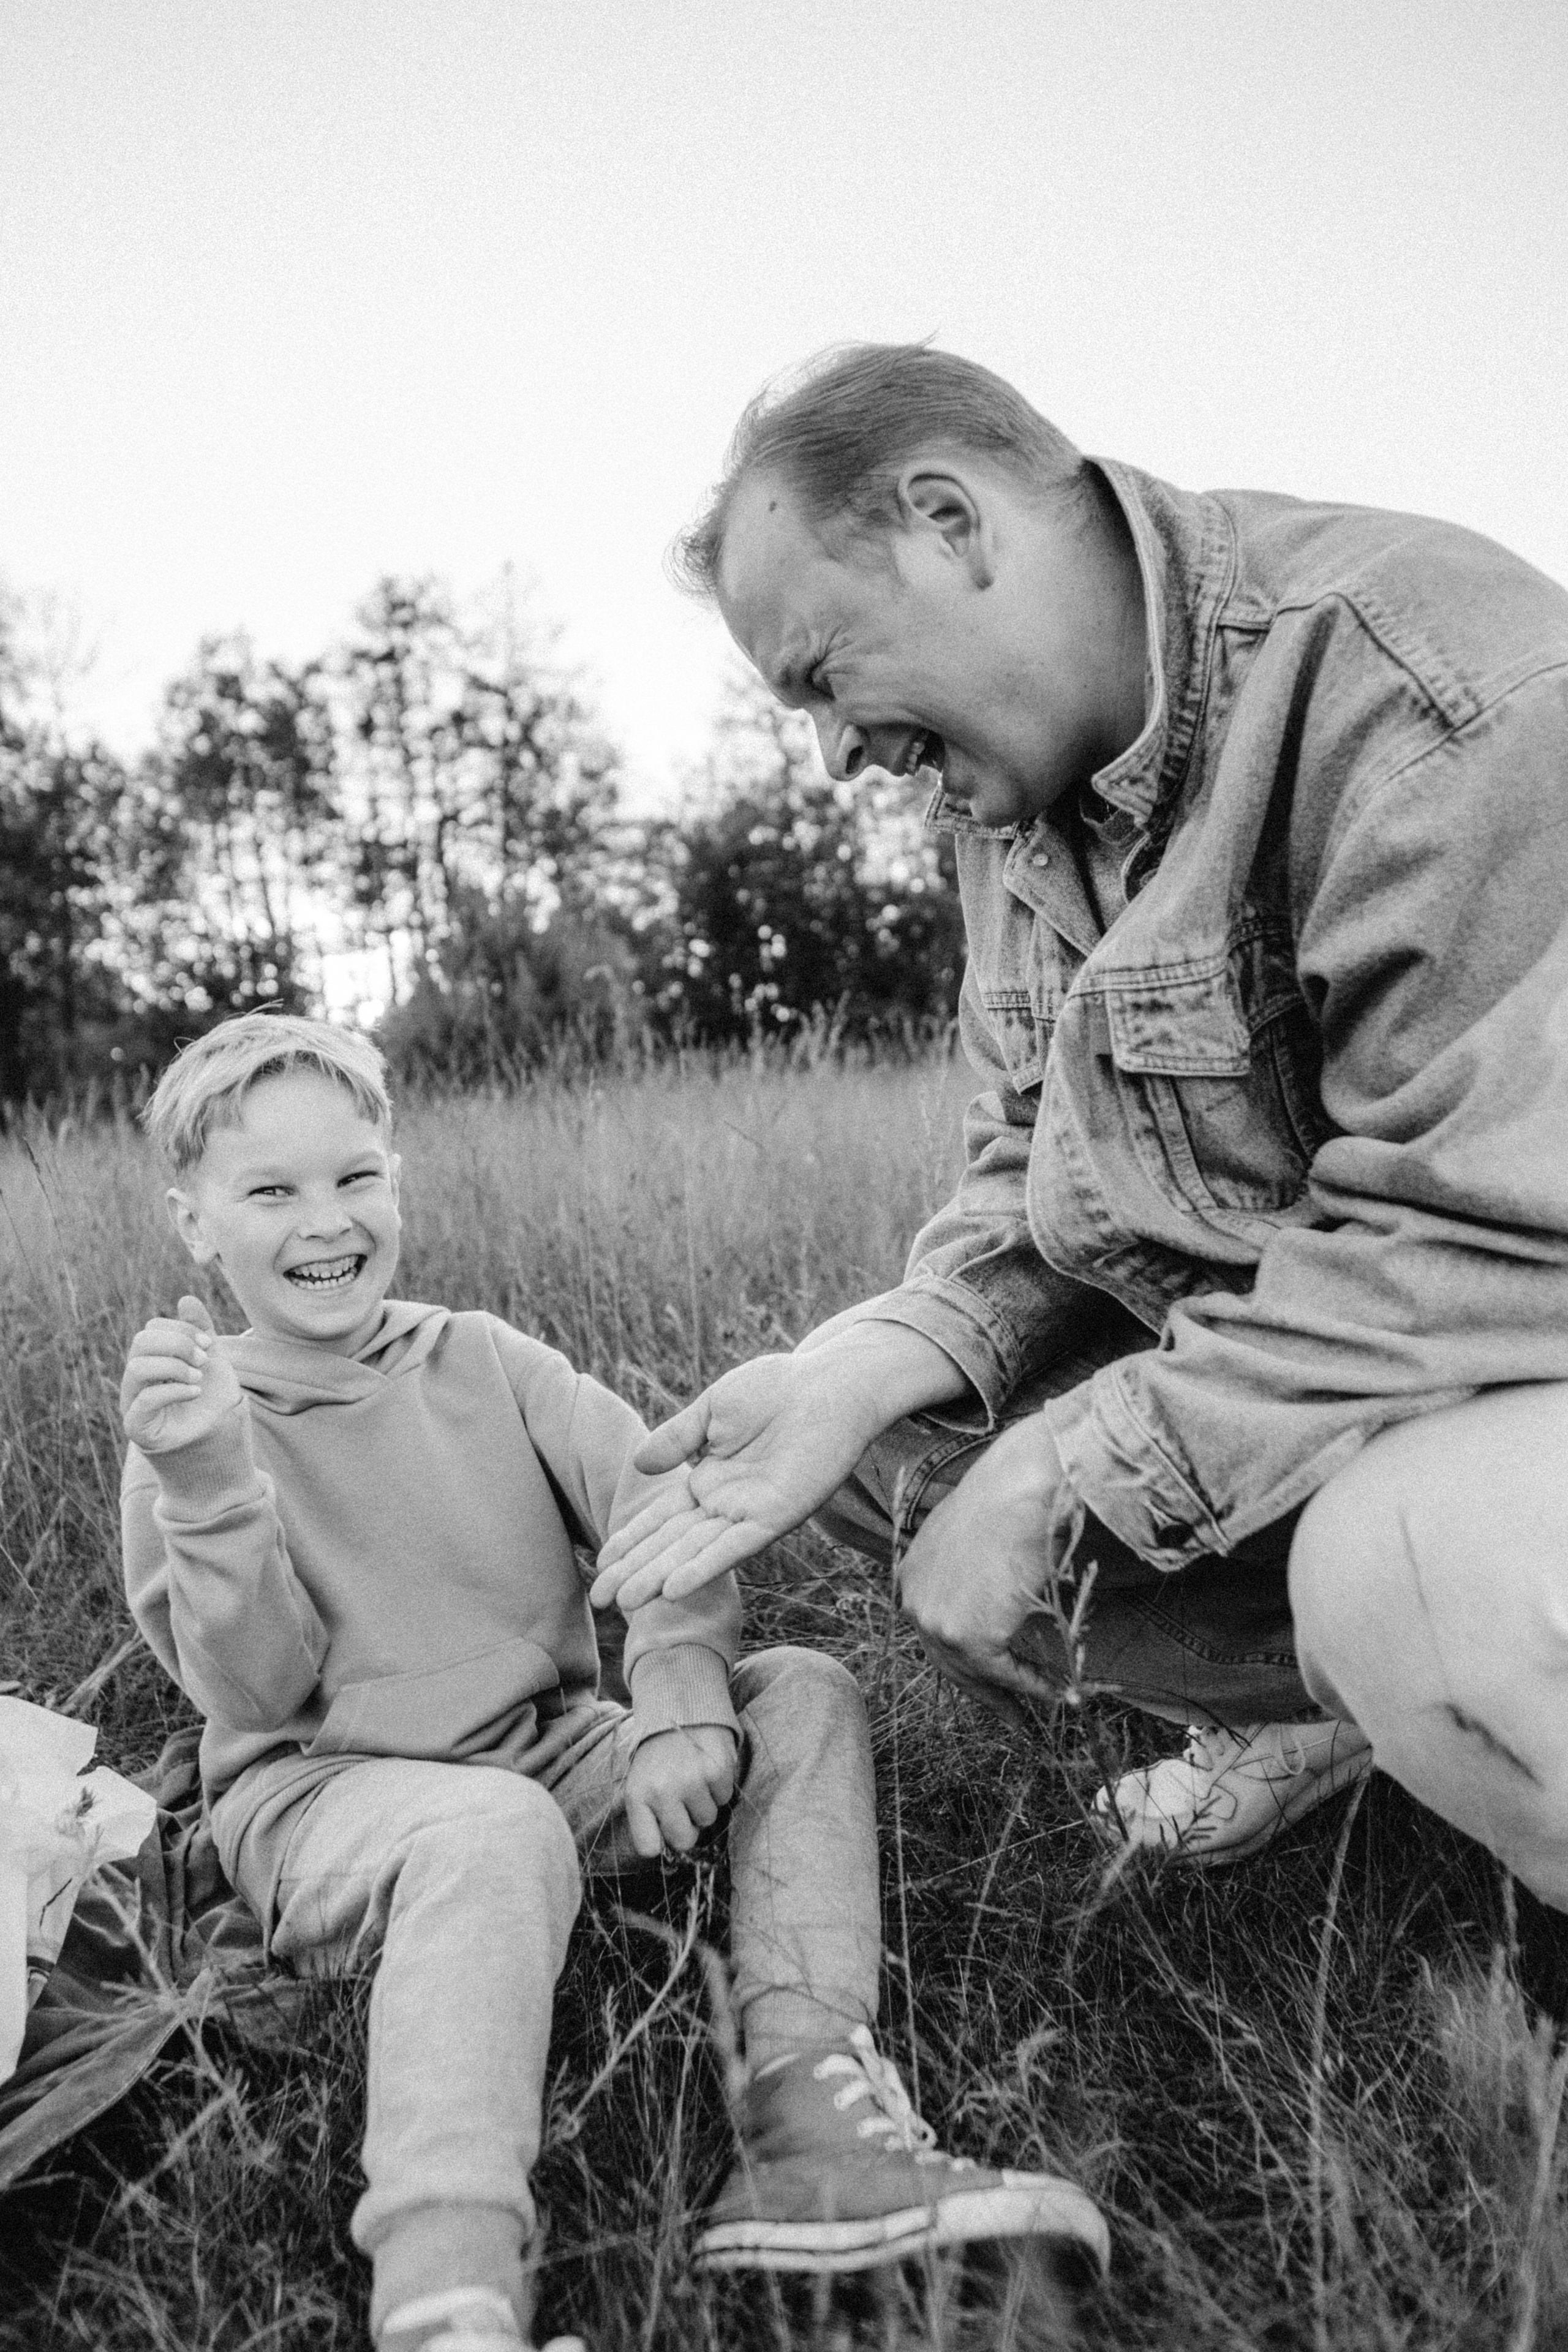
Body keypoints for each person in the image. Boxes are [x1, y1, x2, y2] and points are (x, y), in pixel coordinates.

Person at [594, 341, 1568, 1917]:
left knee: (1403, 1574)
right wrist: (865, 1364)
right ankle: (1340, 1707)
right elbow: (1030, 1165)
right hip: (1374, 1365)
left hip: (1518, 1334)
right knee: (850, 1431)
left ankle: (1408, 1650)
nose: (833, 755)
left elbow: (1488, 1237)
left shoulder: (1434, 698)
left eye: (819, 676)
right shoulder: (1014, 802)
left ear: (946, 521)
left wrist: (1064, 1467)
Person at [118, 1013, 1109, 2352]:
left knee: (799, 1689)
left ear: (396, 1179)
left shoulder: (482, 1361)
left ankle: (803, 2104)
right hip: (321, 1796)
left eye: (355, 1176)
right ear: (194, 1224)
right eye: (271, 1192)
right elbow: (253, 1689)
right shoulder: (196, 1423)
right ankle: (446, 2290)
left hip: (541, 1750)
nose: (326, 1220)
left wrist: (682, 1695)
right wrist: (205, 1484)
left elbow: (665, 1519)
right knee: (491, 1829)